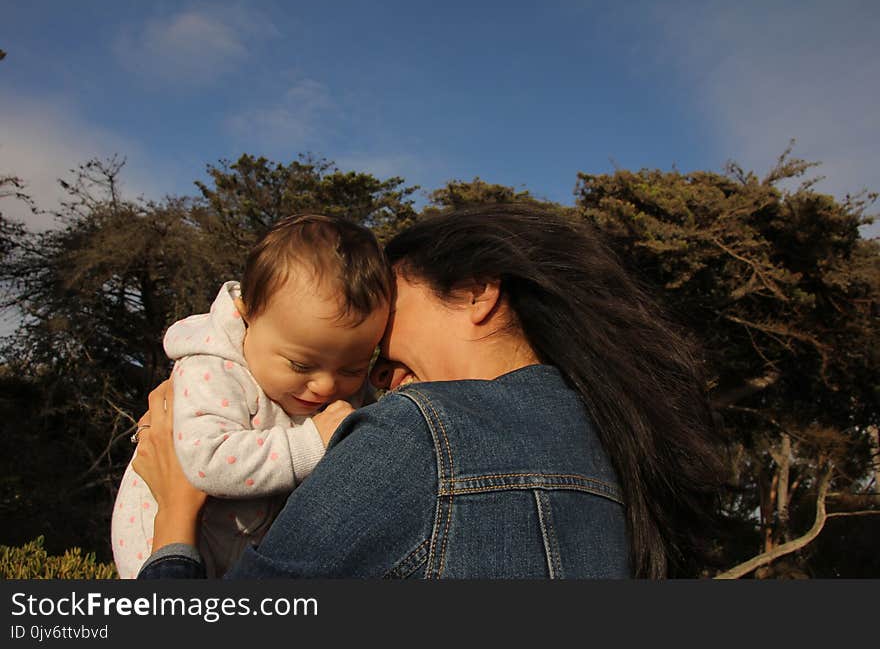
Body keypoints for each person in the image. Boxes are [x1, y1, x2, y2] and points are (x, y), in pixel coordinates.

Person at [132, 204, 725, 579]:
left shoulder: (418, 434)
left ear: (474, 292)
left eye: (392, 309)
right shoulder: (612, 447)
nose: (379, 369)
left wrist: (175, 525)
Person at [111, 214, 390, 578]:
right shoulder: (214, 370)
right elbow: (206, 461)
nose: (326, 386)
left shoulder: (329, 381)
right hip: (161, 547)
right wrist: (311, 442)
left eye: (352, 369)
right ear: (247, 317)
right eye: (300, 364)